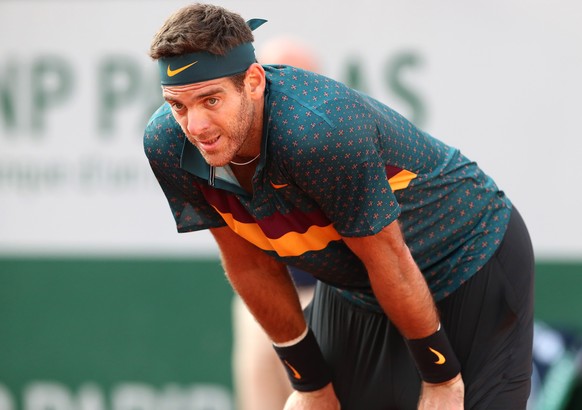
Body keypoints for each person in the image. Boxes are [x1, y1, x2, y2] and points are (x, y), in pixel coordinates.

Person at [144, 4, 535, 409]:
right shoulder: (168, 143)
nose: (196, 127)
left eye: (211, 100)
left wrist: (441, 379)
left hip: (469, 253)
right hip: (363, 281)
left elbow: (390, 257)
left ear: (254, 82)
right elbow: (250, 263)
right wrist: (310, 384)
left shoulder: (316, 133)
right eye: (178, 105)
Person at [231, 37, 320, 410]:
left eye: (299, 79)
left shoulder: (337, 142)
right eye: (272, 78)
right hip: (263, 301)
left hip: (327, 299)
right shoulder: (235, 144)